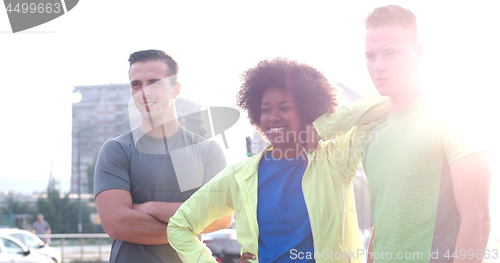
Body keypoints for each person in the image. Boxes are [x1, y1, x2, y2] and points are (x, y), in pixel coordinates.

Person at [167, 58, 390, 263]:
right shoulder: (239, 176)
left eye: (284, 108)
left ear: (306, 111)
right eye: (265, 110)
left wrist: (322, 128)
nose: (273, 117)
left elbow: (386, 104)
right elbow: (179, 226)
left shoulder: (332, 159)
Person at [361, 5, 491, 263]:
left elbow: (478, 220)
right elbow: (381, 227)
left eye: (390, 53)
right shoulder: (372, 136)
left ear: (419, 54)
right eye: (370, 56)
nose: (378, 66)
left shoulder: (455, 120)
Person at [94, 49, 232, 263]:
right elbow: (117, 224)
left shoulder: (208, 151)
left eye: (154, 82)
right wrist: (190, 223)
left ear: (175, 89)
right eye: (136, 84)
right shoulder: (116, 150)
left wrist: (150, 208)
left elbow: (222, 218)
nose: (144, 92)